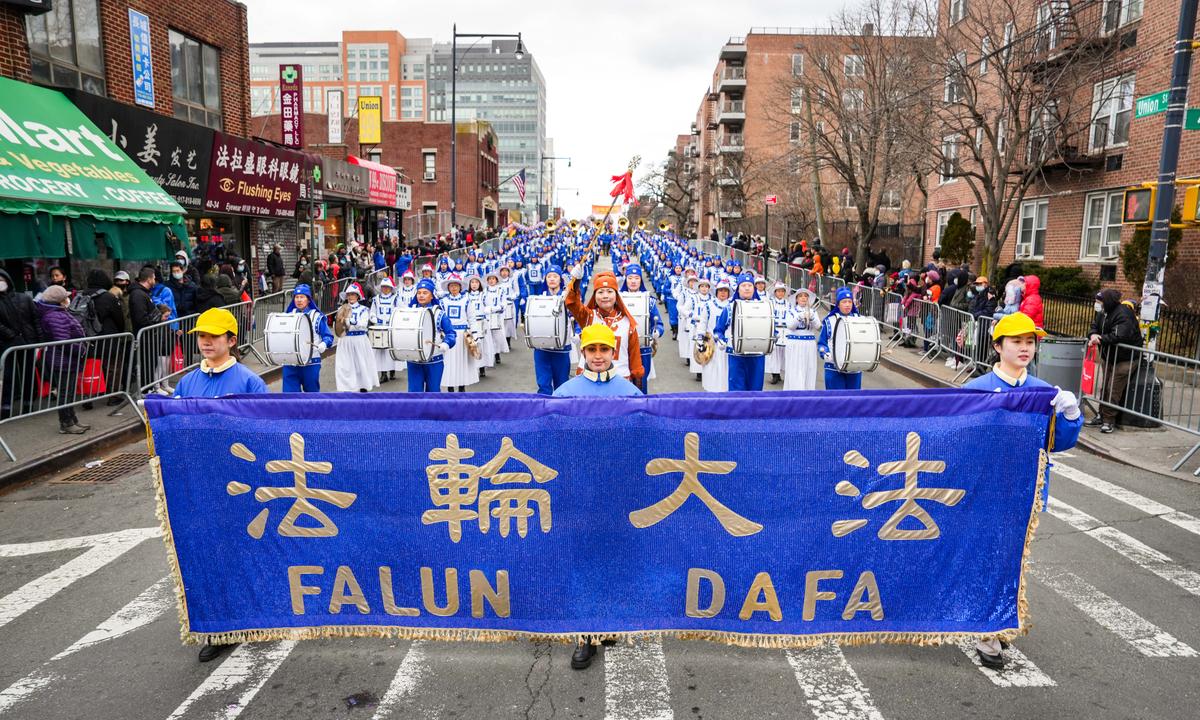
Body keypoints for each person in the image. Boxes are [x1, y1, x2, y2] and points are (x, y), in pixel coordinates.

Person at [963, 311, 1081, 669]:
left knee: (1012, 562)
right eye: (1016, 341)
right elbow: (959, 443)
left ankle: (998, 622)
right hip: (985, 492)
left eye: (1030, 341)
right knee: (986, 558)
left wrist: (1071, 415)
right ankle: (987, 630)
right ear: (998, 346)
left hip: (1025, 493)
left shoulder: (1045, 392)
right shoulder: (975, 390)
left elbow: (1055, 443)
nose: (1025, 348)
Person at [566, 265, 644, 387]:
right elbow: (572, 303)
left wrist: (637, 383)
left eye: (609, 291)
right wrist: (576, 281)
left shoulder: (628, 323)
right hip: (587, 380)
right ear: (595, 296)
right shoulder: (588, 317)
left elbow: (635, 358)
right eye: (600, 292)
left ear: (616, 295)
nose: (605, 296)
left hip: (620, 381)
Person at [34, 285, 89, 434]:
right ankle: (66, 423)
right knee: (65, 393)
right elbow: (63, 341)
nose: (68, 299)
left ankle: (72, 419)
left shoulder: (58, 313)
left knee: (69, 392)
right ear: (59, 300)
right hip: (63, 360)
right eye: (65, 297)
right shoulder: (54, 316)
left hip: (66, 359)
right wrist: (81, 349)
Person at [1086, 289, 1143, 433]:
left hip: (1125, 358)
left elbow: (1120, 334)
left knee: (1113, 389)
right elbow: (1094, 326)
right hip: (1109, 357)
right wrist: (1093, 334)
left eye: (1100, 302)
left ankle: (1108, 420)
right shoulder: (1103, 313)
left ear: (1108, 302)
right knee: (1105, 387)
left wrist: (1100, 339)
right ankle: (1101, 415)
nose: (1097, 304)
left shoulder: (1123, 313)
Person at [553, 323, 642, 399]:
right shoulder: (564, 395)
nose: (598, 356)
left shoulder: (632, 395)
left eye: (604, 349)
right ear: (583, 353)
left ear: (613, 353)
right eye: (591, 349)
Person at [713, 273, 766, 392]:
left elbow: (771, 328)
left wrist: (774, 336)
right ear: (738, 289)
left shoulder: (763, 307)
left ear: (754, 288)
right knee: (737, 390)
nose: (747, 288)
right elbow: (718, 330)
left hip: (757, 355)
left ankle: (754, 411)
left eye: (749, 285)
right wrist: (721, 340)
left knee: (756, 389)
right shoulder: (730, 308)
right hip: (736, 355)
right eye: (743, 285)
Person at [406, 278, 457, 392]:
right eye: (419, 293)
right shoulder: (409, 312)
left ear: (432, 296)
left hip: (434, 359)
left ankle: (433, 410)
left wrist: (446, 343)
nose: (421, 295)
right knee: (414, 393)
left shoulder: (439, 313)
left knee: (433, 392)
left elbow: (451, 333)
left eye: (425, 293)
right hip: (414, 360)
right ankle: (416, 410)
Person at [281, 284, 333, 392]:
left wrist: (324, 344)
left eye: (302, 297)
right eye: (296, 297)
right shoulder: (287, 316)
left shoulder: (317, 316)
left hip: (311, 362)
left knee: (311, 396)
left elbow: (328, 336)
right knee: (289, 398)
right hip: (291, 362)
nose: (299, 300)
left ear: (308, 299)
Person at [620, 265, 664, 394]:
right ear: (626, 279)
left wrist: (656, 332)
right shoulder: (618, 299)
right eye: (630, 278)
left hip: (643, 348)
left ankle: (641, 410)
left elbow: (659, 324)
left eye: (637, 278)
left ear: (641, 280)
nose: (633, 281)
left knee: (641, 385)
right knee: (623, 381)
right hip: (623, 348)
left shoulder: (648, 300)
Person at [530, 265, 573, 395]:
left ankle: (560, 413)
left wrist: (577, 331)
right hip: (542, 348)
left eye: (555, 276)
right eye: (549, 276)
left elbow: (576, 315)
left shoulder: (568, 297)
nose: (552, 279)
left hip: (561, 348)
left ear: (560, 279)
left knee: (562, 385)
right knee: (543, 386)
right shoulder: (538, 298)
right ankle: (545, 413)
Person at [333, 282, 378, 392]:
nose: (350, 297)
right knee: (345, 366)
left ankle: (363, 387)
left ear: (358, 296)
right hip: (345, 340)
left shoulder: (364, 309)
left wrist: (349, 320)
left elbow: (362, 325)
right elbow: (337, 327)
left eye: (353, 294)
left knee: (361, 365)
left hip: (359, 340)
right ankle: (347, 388)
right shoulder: (341, 309)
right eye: (349, 294)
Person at [438, 274, 478, 392]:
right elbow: (440, 319)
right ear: (448, 287)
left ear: (460, 287)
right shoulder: (443, 301)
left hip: (462, 336)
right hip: (449, 335)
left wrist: (475, 334)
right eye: (451, 286)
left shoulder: (466, 300)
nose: (454, 288)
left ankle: (462, 386)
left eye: (456, 285)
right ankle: (450, 386)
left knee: (461, 361)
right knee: (448, 361)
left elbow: (472, 318)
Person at [818, 287, 864, 390]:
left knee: (854, 401)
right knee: (835, 402)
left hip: (854, 369)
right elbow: (822, 343)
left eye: (849, 301)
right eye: (844, 302)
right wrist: (826, 354)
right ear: (838, 304)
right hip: (833, 368)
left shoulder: (860, 320)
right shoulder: (829, 321)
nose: (847, 304)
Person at [783, 289, 821, 391]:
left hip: (809, 344)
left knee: (809, 369)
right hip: (795, 343)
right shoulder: (791, 311)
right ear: (796, 299)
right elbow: (790, 326)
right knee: (795, 369)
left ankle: (808, 393)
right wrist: (799, 316)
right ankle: (794, 394)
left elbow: (819, 327)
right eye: (801, 296)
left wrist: (812, 318)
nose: (804, 298)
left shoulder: (813, 312)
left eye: (806, 296)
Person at [370, 277, 403, 384]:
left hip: (392, 327)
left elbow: (400, 311)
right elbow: (372, 312)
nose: (385, 289)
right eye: (383, 287)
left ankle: (392, 370)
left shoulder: (396, 299)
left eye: (387, 287)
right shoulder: (376, 299)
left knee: (391, 350)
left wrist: (395, 321)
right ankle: (383, 373)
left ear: (391, 288)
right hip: (379, 328)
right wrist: (374, 319)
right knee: (380, 351)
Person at [765, 280, 790, 384]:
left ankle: (782, 372)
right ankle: (775, 374)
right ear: (775, 292)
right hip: (775, 329)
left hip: (786, 330)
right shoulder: (770, 303)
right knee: (774, 352)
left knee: (784, 353)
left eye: (782, 291)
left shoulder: (788, 304)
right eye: (778, 291)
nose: (780, 293)